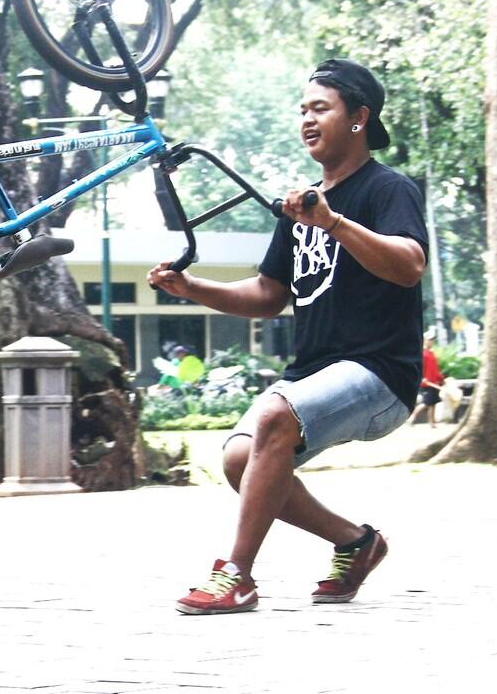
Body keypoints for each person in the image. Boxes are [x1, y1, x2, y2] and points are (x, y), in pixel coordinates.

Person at [149, 58, 427, 615]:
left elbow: (410, 264)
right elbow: (269, 294)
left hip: (381, 374)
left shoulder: (387, 188)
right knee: (236, 459)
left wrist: (334, 223)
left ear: (359, 118)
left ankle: (237, 576)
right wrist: (191, 289)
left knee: (277, 416)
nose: (306, 120)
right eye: (302, 110)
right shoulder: (299, 207)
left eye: (320, 108)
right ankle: (355, 541)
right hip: (315, 372)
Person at [412, 332, 445, 427]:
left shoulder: (431, 354)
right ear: (424, 340)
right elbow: (419, 368)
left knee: (432, 403)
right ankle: (413, 418)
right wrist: (422, 378)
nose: (431, 342)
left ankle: (432, 422)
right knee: (427, 403)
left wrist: (441, 379)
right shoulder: (422, 354)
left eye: (432, 340)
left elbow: (435, 369)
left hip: (434, 382)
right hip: (426, 383)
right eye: (429, 340)